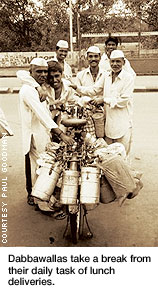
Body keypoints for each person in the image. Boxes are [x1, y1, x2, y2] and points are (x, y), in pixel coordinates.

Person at [17, 58, 74, 205]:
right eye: (38, 71)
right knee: (39, 168)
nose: (43, 74)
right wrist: (61, 135)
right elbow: (42, 115)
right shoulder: (28, 90)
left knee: (42, 167)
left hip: (43, 134)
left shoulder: (39, 87)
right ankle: (40, 202)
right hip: (34, 136)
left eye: (44, 71)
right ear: (31, 72)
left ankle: (39, 198)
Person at [70, 50, 135, 156]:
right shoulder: (107, 76)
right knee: (108, 157)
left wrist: (104, 99)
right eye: (112, 61)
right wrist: (77, 88)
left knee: (122, 156)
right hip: (108, 124)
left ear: (123, 62)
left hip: (123, 123)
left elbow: (123, 101)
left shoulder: (128, 78)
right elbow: (94, 90)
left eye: (118, 61)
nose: (115, 64)